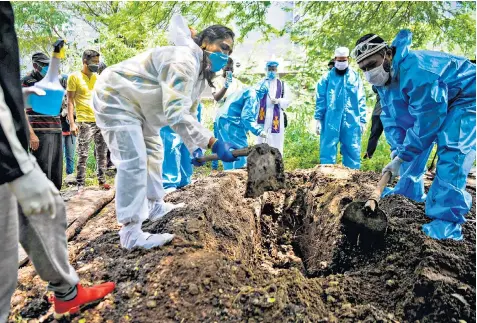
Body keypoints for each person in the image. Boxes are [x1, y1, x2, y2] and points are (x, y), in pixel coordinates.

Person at [0, 3, 115, 321]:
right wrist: (15, 162)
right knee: (14, 250)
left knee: (35, 217)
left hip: (14, 138)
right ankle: (63, 292)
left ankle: (66, 291)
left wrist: (23, 96)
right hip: (7, 150)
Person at [92, 16, 238, 249]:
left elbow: (188, 112)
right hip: (117, 97)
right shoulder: (183, 61)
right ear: (205, 42)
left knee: (154, 152)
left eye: (229, 52)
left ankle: (155, 205)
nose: (226, 56)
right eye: (223, 48)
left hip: (142, 107)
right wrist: (213, 142)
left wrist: (195, 147)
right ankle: (131, 233)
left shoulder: (200, 74)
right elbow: (176, 114)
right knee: (134, 160)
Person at [352, 29, 476, 240]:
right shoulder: (385, 81)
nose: (369, 73)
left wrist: (404, 155)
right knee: (409, 145)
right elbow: (393, 119)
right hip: (436, 102)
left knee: (452, 150)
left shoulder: (418, 71)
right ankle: (409, 188)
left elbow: (427, 123)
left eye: (372, 64)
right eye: (363, 69)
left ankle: (446, 223)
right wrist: (397, 152)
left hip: (466, 95)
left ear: (387, 54)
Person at [314, 47, 367, 169]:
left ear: (348, 59)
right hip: (330, 119)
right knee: (327, 148)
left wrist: (362, 120)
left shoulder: (355, 77)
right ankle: (326, 178)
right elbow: (320, 99)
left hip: (352, 120)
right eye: (339, 60)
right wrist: (318, 119)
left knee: (352, 149)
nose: (341, 62)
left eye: (344, 60)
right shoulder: (326, 78)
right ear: (335, 60)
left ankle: (352, 178)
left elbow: (361, 98)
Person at [67, 50, 110, 191]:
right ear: (85, 61)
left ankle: (102, 180)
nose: (96, 65)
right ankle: (80, 184)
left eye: (98, 62)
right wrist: (72, 123)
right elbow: (70, 101)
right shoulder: (74, 77)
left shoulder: (97, 78)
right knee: (83, 154)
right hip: (84, 121)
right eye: (94, 62)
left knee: (102, 152)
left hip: (100, 120)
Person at [214, 60, 267, 169]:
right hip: (230, 119)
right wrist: (258, 130)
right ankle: (237, 173)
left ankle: (229, 172)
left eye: (230, 67)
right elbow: (246, 116)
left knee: (228, 147)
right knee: (240, 147)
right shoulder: (253, 94)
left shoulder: (242, 86)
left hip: (224, 117)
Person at [21, 52, 63, 189]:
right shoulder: (27, 82)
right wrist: (31, 134)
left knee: (56, 167)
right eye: (44, 65)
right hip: (39, 131)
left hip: (56, 128)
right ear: (35, 65)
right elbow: (21, 109)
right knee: (41, 166)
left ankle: (56, 196)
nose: (47, 68)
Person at [160, 103, 203, 192]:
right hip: (172, 102)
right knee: (171, 139)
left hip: (189, 102)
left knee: (186, 143)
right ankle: (169, 182)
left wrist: (196, 148)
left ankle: (184, 180)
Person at [256, 60, 293, 155]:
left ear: (276, 70)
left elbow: (288, 100)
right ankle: (261, 161)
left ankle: (276, 162)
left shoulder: (282, 84)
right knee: (262, 138)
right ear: (266, 70)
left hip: (276, 116)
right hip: (262, 115)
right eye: (270, 69)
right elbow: (254, 99)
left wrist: (278, 101)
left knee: (276, 139)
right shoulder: (260, 84)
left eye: (273, 69)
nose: (272, 71)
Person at [210, 58, 241, 170]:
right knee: (218, 143)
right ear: (223, 67)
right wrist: (225, 86)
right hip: (219, 118)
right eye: (227, 68)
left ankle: (232, 168)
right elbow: (217, 98)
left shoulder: (237, 83)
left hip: (233, 119)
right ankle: (214, 169)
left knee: (232, 144)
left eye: (231, 69)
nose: (229, 71)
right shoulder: (216, 81)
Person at [59, 74, 77, 184]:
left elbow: (75, 112)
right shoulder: (57, 96)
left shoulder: (72, 97)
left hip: (70, 129)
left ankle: (70, 177)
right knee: (59, 156)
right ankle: (58, 177)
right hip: (60, 129)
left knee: (70, 155)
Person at [363, 85, 384, 159]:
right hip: (379, 112)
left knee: (395, 136)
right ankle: (368, 155)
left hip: (386, 112)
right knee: (374, 134)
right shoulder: (381, 80)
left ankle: (397, 158)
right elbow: (374, 87)